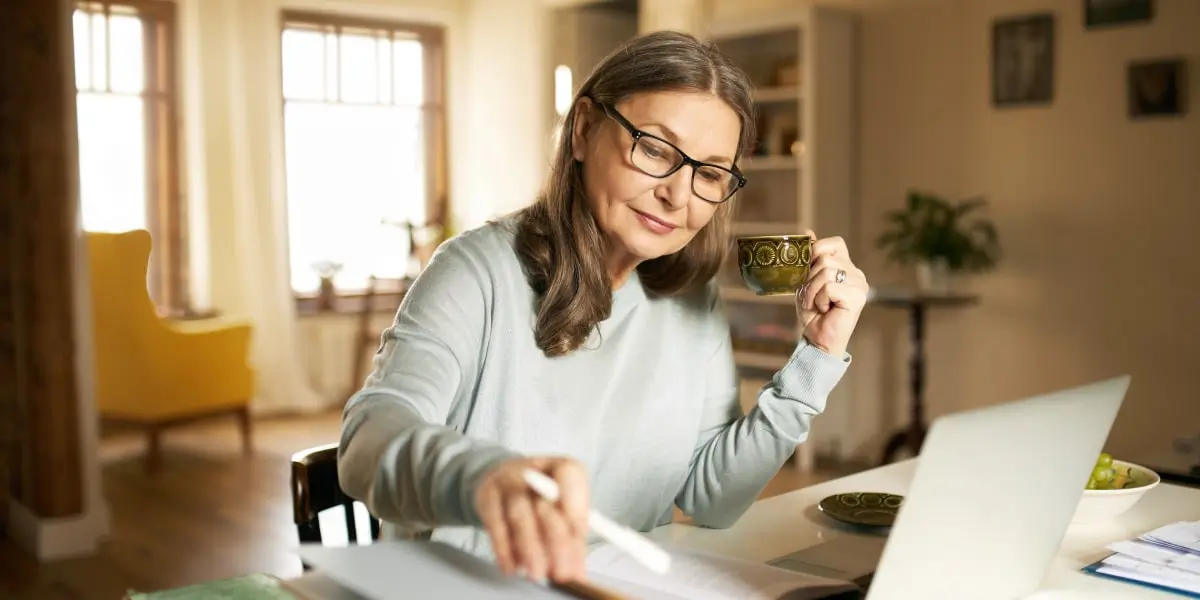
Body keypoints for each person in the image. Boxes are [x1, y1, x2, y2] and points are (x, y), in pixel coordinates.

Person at [337, 30, 869, 586]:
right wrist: (482, 477)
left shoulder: (692, 299)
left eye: (709, 173)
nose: (679, 195)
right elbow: (367, 439)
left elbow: (714, 498)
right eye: (657, 149)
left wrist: (818, 355)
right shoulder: (475, 272)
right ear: (585, 130)